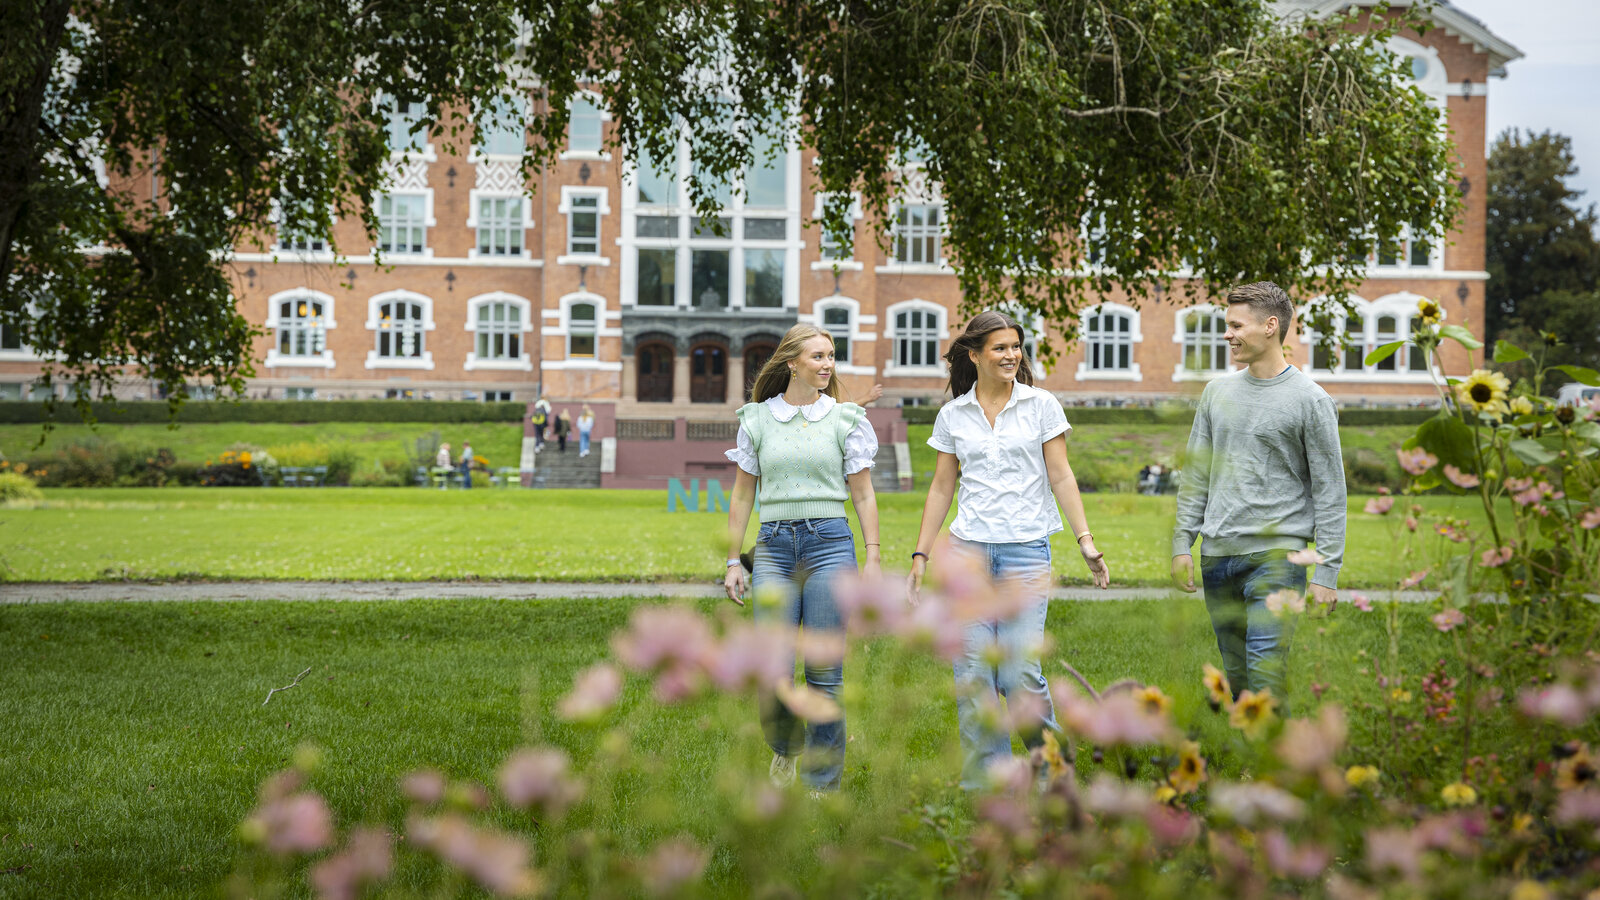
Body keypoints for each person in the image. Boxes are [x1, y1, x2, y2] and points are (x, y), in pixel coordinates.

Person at [907, 309, 1110, 791]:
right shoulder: (953, 415)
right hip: (968, 554)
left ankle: (1053, 770)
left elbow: (1060, 474)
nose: (1011, 355)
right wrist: (921, 555)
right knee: (975, 673)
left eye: (1016, 347)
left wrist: (1086, 540)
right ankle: (987, 785)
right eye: (1000, 348)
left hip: (1025, 553)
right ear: (974, 355)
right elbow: (941, 488)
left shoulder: (1041, 405)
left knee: (1019, 671)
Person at [1171, 281, 1346, 714]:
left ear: (1271, 326)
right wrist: (1182, 544)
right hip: (1218, 555)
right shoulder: (1217, 393)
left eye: (1235, 325)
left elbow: (1330, 490)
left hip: (1278, 557)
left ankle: (1268, 773)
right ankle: (1259, 759)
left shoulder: (1311, 400)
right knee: (1238, 677)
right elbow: (1197, 476)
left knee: (1266, 672)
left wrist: (1327, 571)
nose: (1227, 334)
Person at [724, 323, 881, 795]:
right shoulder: (755, 419)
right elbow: (741, 496)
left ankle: (821, 784)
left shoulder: (846, 419)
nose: (828, 365)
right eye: (818, 356)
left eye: (831, 356)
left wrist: (872, 557)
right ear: (791, 362)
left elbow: (864, 495)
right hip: (772, 548)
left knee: (824, 673)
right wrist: (734, 559)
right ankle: (785, 749)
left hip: (831, 545)